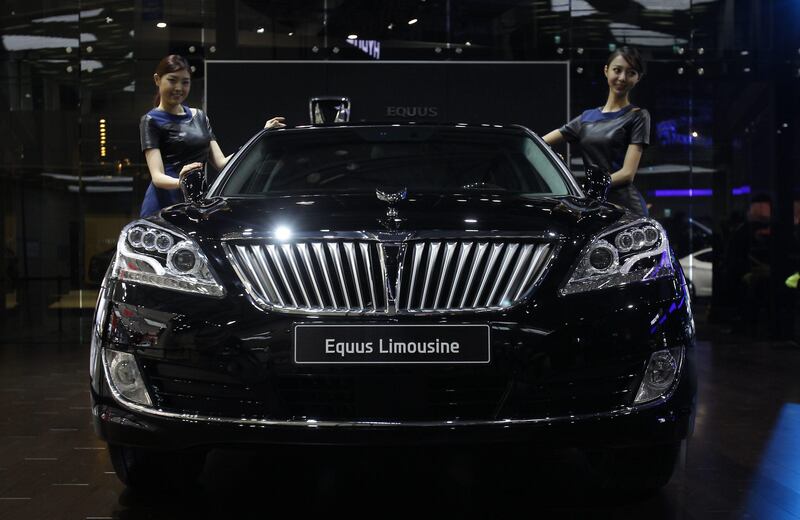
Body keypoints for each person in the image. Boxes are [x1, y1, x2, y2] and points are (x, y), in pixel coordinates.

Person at [139, 54, 285, 217]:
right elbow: (157, 177)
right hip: (162, 204)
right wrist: (183, 182)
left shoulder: (199, 117)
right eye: (172, 80)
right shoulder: (151, 120)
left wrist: (260, 137)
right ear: (157, 80)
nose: (179, 87)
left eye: (185, 82)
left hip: (196, 202)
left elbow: (221, 163)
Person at [542, 46, 651, 216]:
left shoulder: (638, 116)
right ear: (606, 71)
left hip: (625, 208)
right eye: (617, 70)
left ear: (638, 78)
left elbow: (627, 174)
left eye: (631, 73)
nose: (622, 78)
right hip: (593, 205)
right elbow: (540, 144)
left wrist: (586, 189)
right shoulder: (587, 117)